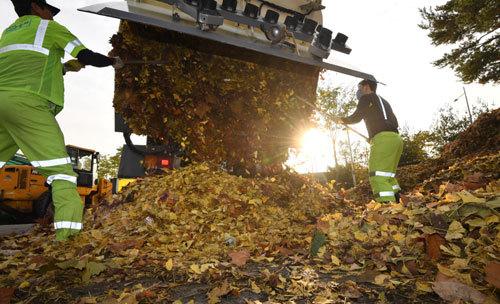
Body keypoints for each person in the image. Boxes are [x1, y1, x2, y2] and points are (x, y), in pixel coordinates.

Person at [0, 0, 123, 240]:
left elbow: (27, 66)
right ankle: (67, 239)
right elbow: (87, 54)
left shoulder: (10, 33)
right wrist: (112, 62)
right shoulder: (49, 28)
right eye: (49, 10)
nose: (52, 16)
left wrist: (66, 68)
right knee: (62, 174)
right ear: (37, 7)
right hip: (27, 105)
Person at [338, 79, 403, 203]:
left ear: (366, 87)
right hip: (396, 139)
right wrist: (373, 136)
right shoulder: (384, 101)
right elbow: (392, 123)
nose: (358, 91)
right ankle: (399, 200)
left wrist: (342, 120)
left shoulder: (366, 98)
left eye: (359, 88)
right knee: (388, 176)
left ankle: (387, 208)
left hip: (383, 140)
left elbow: (356, 117)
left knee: (377, 175)